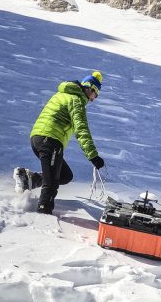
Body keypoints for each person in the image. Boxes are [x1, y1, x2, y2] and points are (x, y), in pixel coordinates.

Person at [14, 71, 106, 214]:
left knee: (64, 175)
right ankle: (43, 214)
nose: (94, 99)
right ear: (89, 88)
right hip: (50, 140)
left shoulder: (62, 94)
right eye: (95, 94)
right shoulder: (76, 100)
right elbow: (81, 129)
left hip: (37, 138)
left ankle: (29, 179)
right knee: (50, 184)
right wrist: (93, 156)